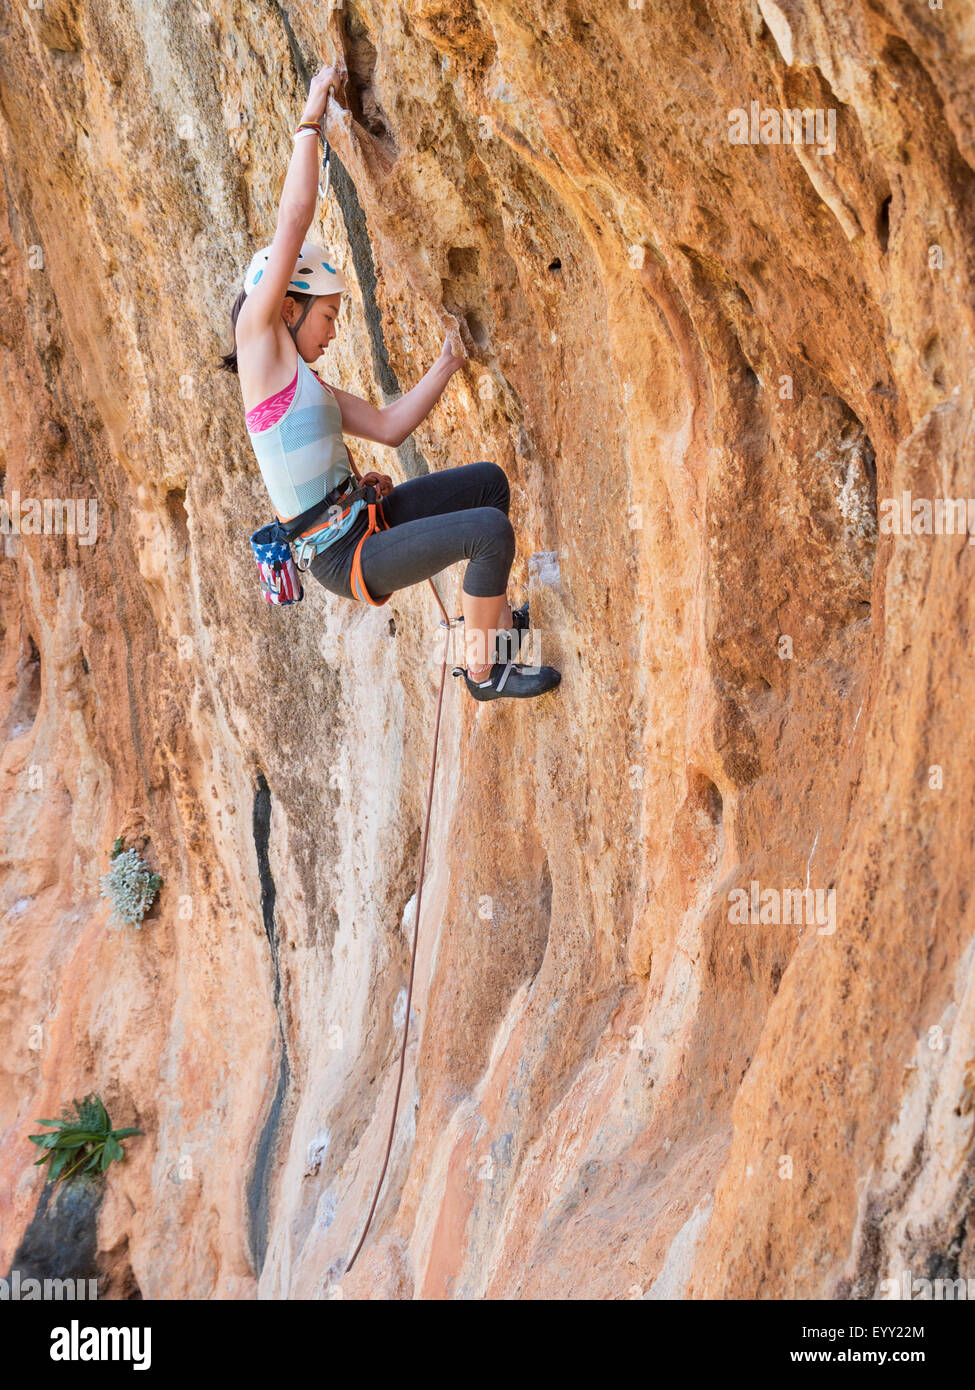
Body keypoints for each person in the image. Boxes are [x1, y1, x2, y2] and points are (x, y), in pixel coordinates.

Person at [217, 63, 560, 701]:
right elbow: (292, 222)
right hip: (343, 559)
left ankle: (492, 631)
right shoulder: (260, 354)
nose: (333, 331)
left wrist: (451, 358)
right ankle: (484, 671)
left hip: (362, 520)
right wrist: (311, 114)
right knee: (491, 532)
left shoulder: (305, 385)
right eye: (327, 315)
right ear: (287, 305)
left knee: (489, 483)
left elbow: (388, 424)